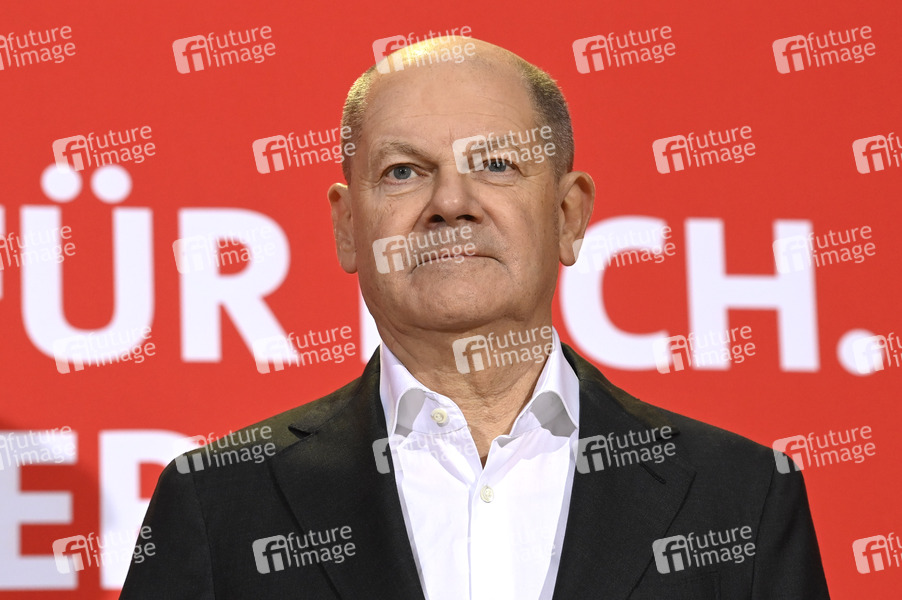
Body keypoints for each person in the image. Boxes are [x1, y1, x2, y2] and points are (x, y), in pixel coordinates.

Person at [120, 37, 830, 599]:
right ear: (346, 227)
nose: (451, 203)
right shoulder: (219, 501)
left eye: (495, 163)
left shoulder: (741, 496)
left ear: (568, 214)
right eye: (403, 172)